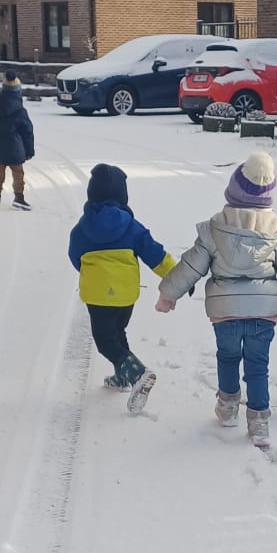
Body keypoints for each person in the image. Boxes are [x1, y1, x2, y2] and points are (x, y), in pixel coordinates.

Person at [155, 150, 277, 449]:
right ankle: (259, 423)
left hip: (224, 313)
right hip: (263, 315)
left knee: (227, 357)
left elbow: (191, 266)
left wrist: (168, 294)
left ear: (232, 192)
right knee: (257, 365)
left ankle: (227, 408)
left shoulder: (215, 228)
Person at [68, 163, 175, 414]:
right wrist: (177, 276)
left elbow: (75, 255)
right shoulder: (131, 225)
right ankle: (123, 376)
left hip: (97, 295)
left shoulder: (83, 227)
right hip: (126, 295)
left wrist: (92, 274)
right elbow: (155, 255)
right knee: (118, 332)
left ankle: (138, 375)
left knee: (106, 342)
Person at [0, 71, 34, 209]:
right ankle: (19, 198)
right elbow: (27, 132)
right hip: (15, 146)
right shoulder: (20, 110)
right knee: (18, 173)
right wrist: (29, 151)